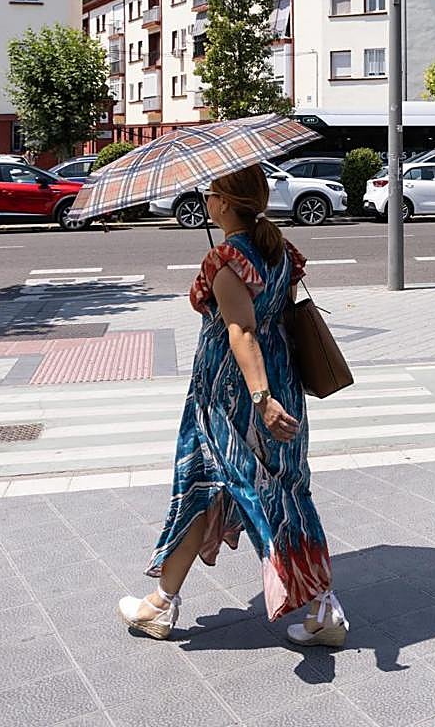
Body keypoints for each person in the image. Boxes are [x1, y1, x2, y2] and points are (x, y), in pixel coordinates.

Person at [117, 163, 347, 647]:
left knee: (210, 484)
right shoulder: (281, 251)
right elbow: (276, 316)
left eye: (211, 193)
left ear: (223, 203)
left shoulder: (226, 260)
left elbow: (241, 331)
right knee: (284, 490)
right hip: (282, 384)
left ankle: (163, 604)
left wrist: (261, 400)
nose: (206, 200)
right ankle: (320, 606)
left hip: (230, 398)